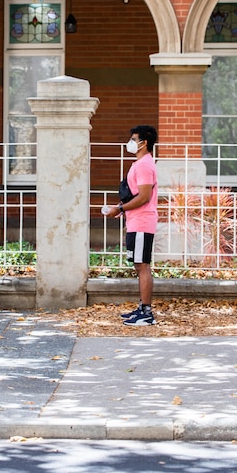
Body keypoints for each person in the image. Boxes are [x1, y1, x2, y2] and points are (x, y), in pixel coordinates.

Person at [107, 125, 159, 326]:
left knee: (142, 265)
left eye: (134, 139)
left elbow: (144, 196)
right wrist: (123, 208)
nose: (130, 142)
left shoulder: (144, 165)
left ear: (144, 142)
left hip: (142, 221)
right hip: (137, 220)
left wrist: (120, 209)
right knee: (140, 264)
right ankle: (143, 308)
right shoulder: (141, 163)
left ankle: (146, 313)